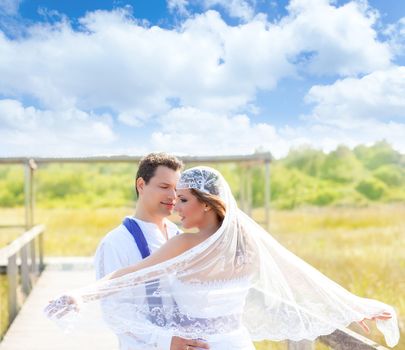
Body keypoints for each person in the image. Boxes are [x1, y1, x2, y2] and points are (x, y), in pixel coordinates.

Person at [45, 166, 400, 349]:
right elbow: (302, 278)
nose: (175, 207)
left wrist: (355, 306)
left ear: (206, 203)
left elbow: (127, 275)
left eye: (183, 200)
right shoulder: (243, 242)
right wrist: (357, 306)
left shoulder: (187, 244)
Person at [93, 153, 209, 350]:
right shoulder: (116, 243)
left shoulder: (179, 235)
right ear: (141, 185)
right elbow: (114, 310)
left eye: (177, 189)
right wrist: (166, 341)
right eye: (164, 187)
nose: (173, 196)